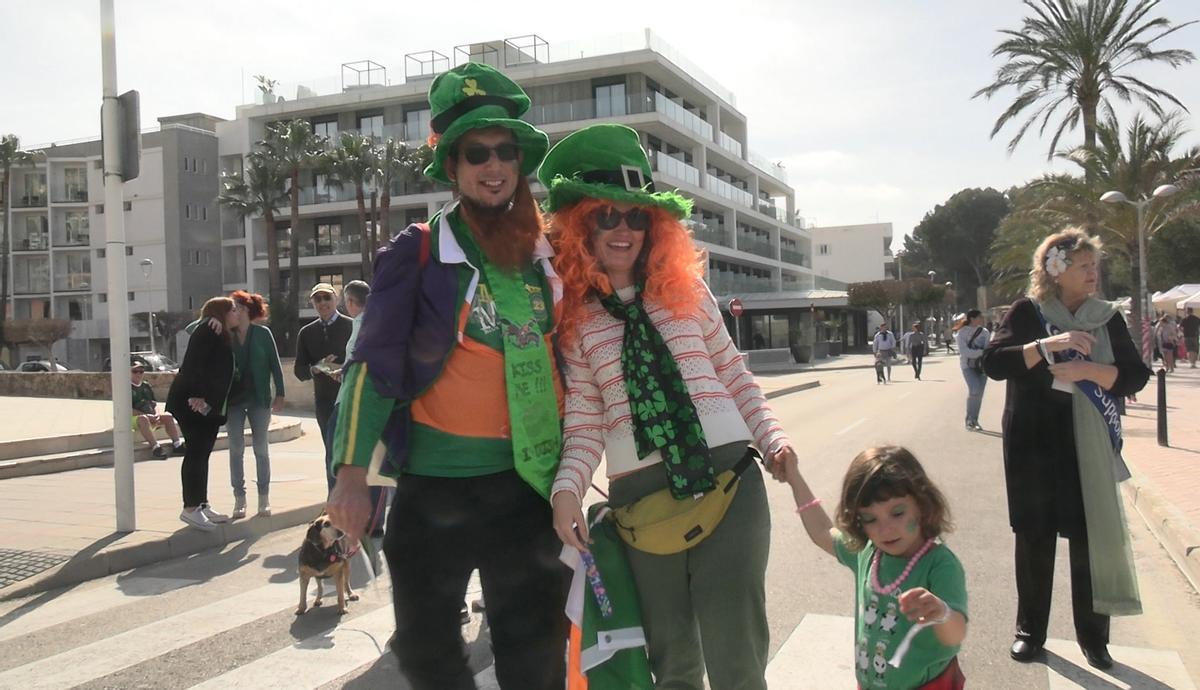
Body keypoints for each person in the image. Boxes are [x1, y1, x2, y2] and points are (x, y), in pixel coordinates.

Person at [325, 62, 568, 689]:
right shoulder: (422, 250)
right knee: (429, 654)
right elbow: (370, 367)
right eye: (476, 153)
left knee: (534, 655)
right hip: (434, 491)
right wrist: (351, 476)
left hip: (526, 488)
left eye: (505, 151)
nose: (494, 166)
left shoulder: (546, 258)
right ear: (453, 169)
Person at [545, 124, 796, 690]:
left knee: (738, 657)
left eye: (637, 216)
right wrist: (567, 493)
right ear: (580, 225)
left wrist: (774, 440)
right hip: (641, 506)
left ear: (655, 226)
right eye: (606, 215)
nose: (624, 229)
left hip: (730, 482)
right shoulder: (576, 321)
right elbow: (585, 421)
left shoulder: (688, 289)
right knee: (674, 665)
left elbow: (734, 374)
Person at [982, 229, 1150, 670]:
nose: (1093, 273)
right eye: (1083, 266)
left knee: (1087, 545)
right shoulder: (1028, 312)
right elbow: (994, 363)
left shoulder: (1106, 316)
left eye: (1094, 265)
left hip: (1085, 448)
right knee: (1034, 542)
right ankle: (1029, 633)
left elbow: (1134, 376)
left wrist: (1090, 369)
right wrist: (1045, 346)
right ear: (1055, 271)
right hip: (1032, 446)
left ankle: (1094, 639)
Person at [787, 445, 967, 689]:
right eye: (870, 519)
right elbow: (821, 532)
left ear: (923, 504)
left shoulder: (940, 564)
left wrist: (941, 613)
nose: (885, 529)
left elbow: (956, 634)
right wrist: (793, 476)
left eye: (897, 513)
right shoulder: (867, 552)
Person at [166, 296, 245, 532]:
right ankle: (190, 508)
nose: (237, 313)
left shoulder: (218, 332)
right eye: (232, 310)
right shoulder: (208, 330)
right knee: (196, 453)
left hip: (208, 405)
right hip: (192, 402)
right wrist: (198, 394)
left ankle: (201, 503)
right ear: (220, 313)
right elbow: (193, 363)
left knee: (203, 453)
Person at [226, 290, 285, 519]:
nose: (233, 311)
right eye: (231, 307)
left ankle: (264, 498)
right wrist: (212, 318)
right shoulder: (226, 334)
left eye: (236, 307)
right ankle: (239, 499)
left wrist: (280, 393)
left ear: (247, 310)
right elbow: (193, 329)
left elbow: (275, 365)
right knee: (236, 449)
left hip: (259, 399)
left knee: (261, 448)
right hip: (233, 401)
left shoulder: (263, 334)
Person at [294, 282, 353, 492]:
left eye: (326, 298)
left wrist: (340, 368)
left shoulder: (352, 326)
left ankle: (355, 498)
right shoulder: (306, 333)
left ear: (336, 299)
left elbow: (366, 361)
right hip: (325, 402)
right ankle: (334, 499)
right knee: (331, 451)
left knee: (353, 452)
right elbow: (299, 370)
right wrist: (316, 368)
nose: (322, 303)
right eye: (317, 299)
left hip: (350, 399)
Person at [131, 362, 185, 459]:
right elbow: (127, 410)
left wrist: (156, 414)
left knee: (168, 416)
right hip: (133, 418)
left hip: (150, 414)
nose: (138, 374)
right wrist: (147, 416)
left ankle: (177, 445)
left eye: (141, 371)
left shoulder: (146, 386)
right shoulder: (126, 388)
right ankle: (156, 448)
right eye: (135, 371)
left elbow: (154, 403)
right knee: (143, 419)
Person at [954, 310, 989, 430]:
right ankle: (969, 419)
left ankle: (974, 420)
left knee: (979, 394)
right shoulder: (961, 333)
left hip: (983, 366)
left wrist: (985, 354)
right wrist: (980, 352)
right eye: (979, 317)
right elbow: (964, 352)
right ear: (972, 318)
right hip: (968, 366)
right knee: (974, 389)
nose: (982, 319)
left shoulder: (984, 332)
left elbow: (988, 348)